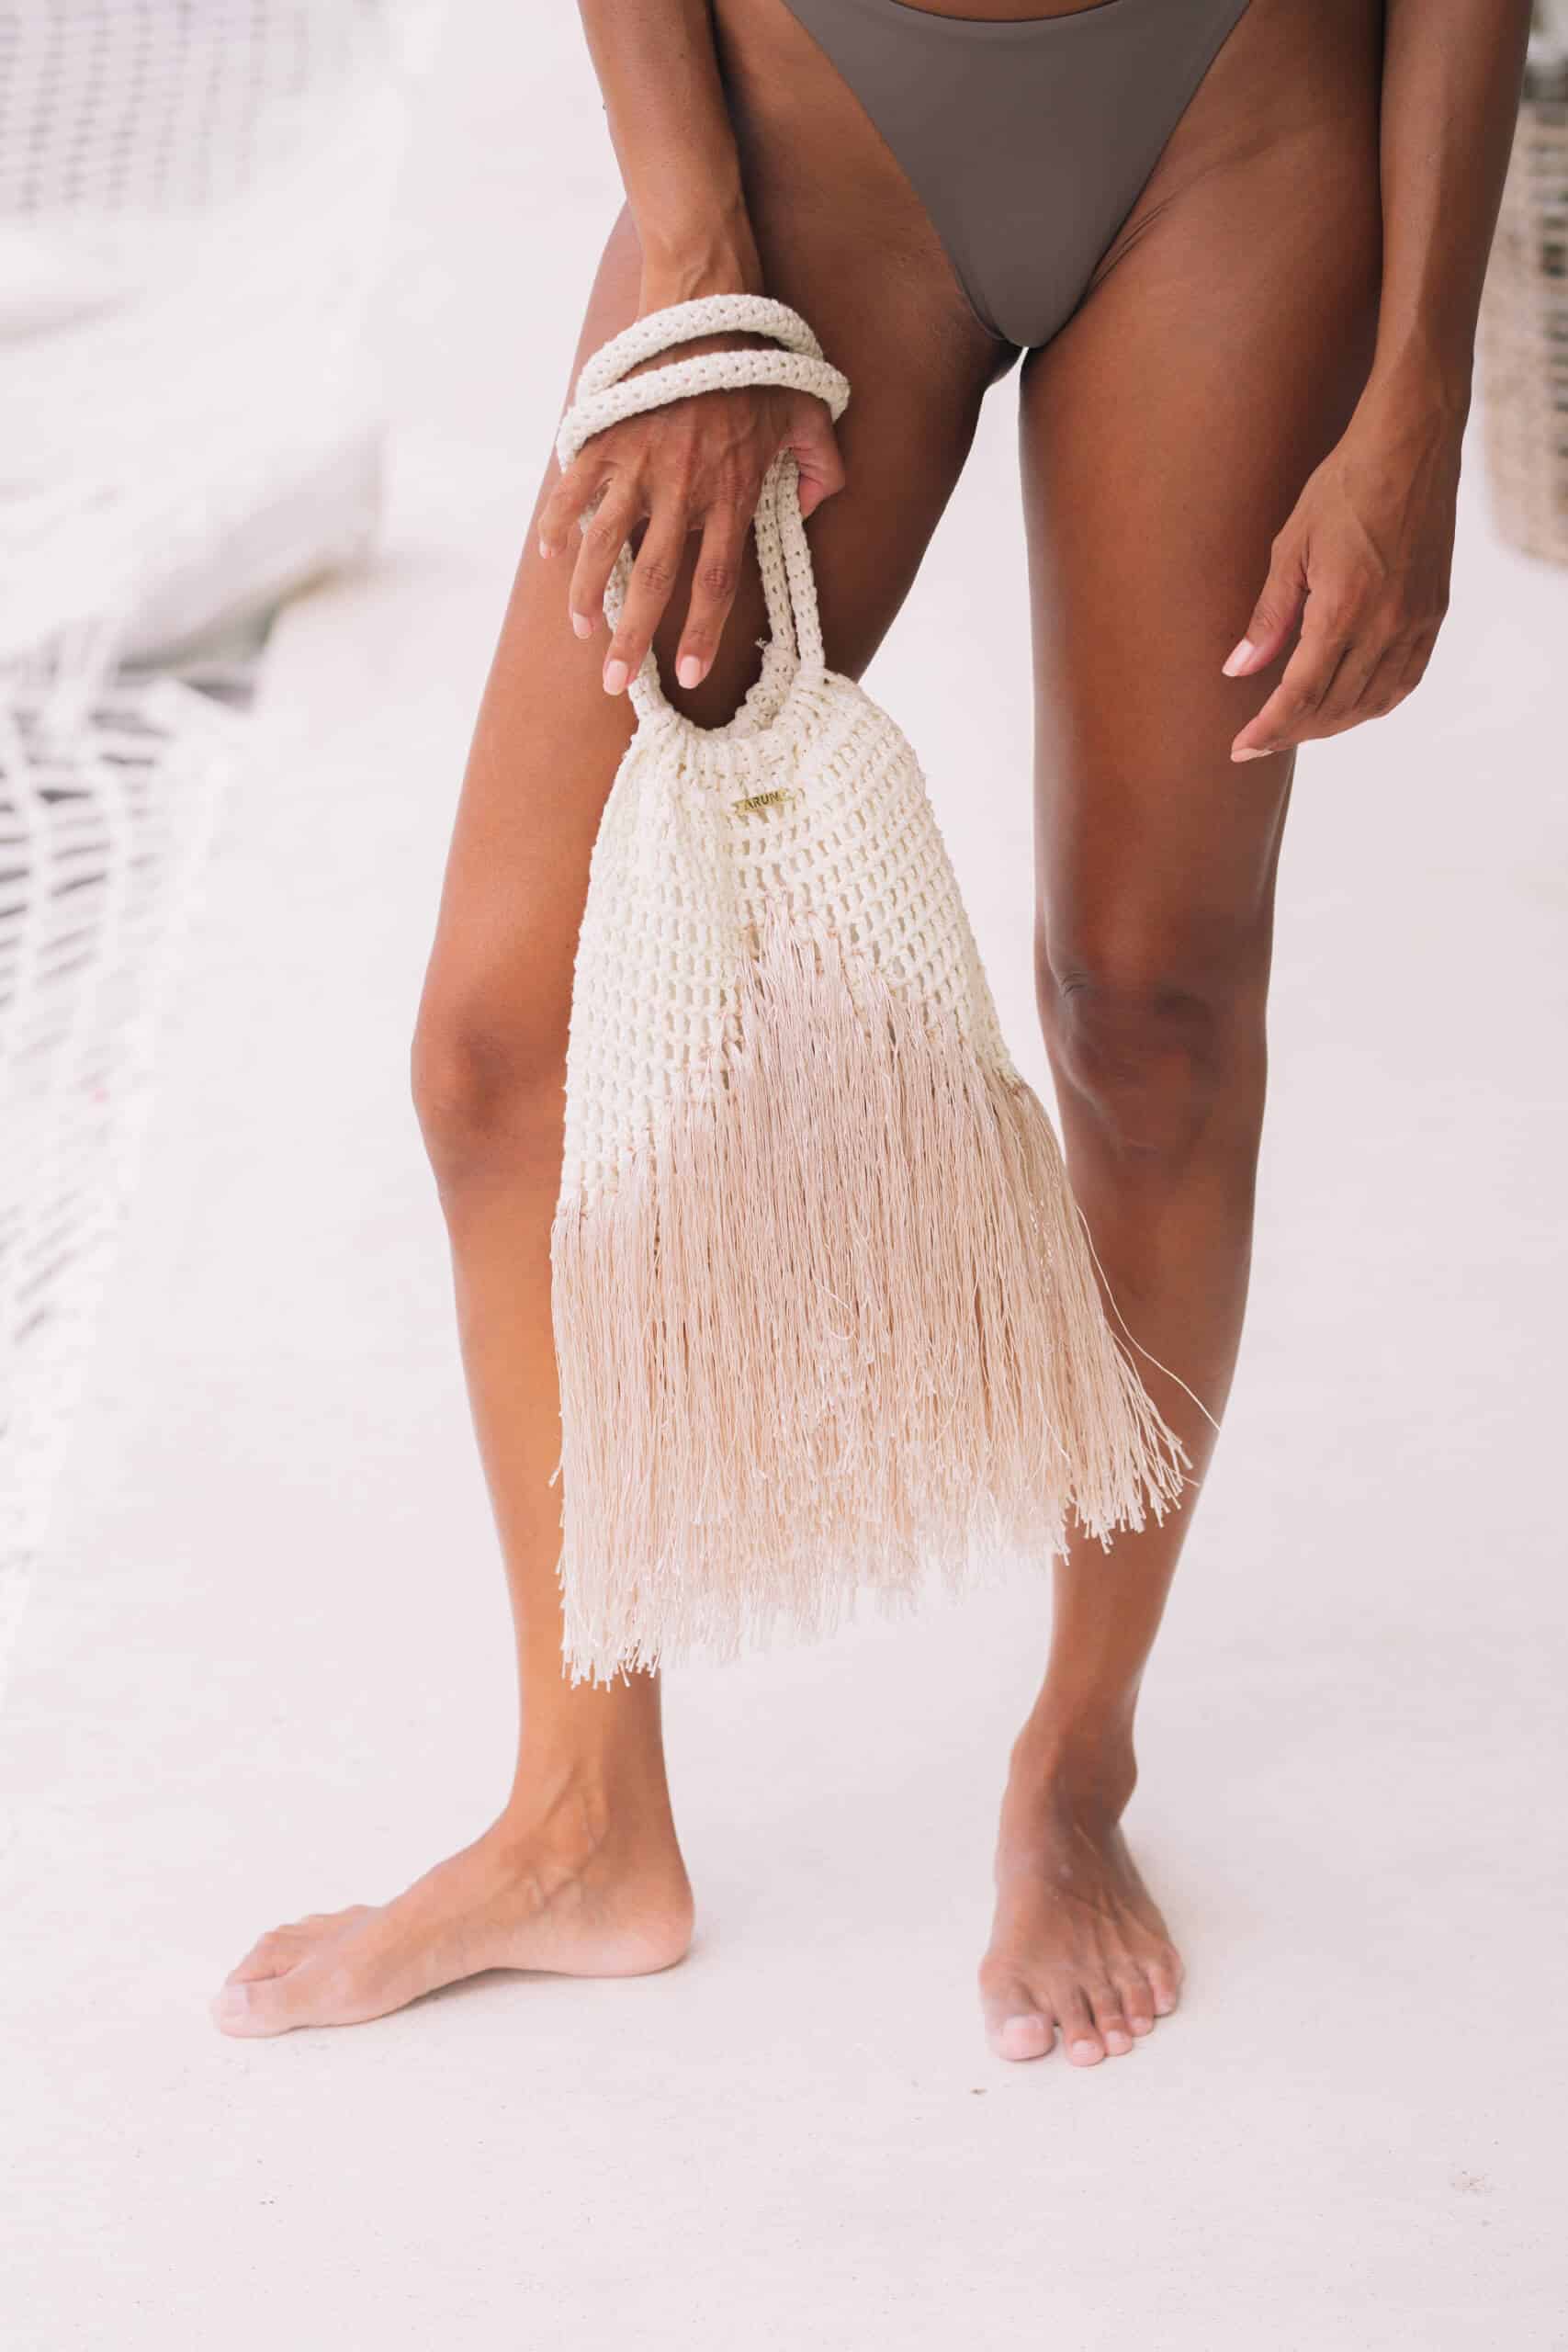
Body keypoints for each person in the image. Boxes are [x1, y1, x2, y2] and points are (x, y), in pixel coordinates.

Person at [213, 0, 1529, 2061]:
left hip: (1240, 109)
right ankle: (582, 1821)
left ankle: (1076, 1762)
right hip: (811, 102)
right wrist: (690, 245)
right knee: (500, 1039)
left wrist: (1414, 394)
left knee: (1154, 1014)